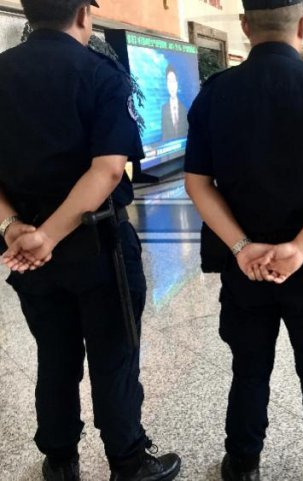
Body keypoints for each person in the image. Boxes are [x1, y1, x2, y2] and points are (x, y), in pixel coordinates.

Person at [183, 1, 303, 480]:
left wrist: (242, 247)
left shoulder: (215, 94)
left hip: (243, 268)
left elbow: (198, 183)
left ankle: (243, 463)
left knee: (249, 368)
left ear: (245, 26)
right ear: (302, 25)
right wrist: (299, 248)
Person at [0, 1, 181, 481]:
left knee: (54, 355)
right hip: (99, 247)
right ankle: (127, 460)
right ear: (83, 14)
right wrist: (49, 236)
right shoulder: (100, 72)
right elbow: (108, 170)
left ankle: (60, 461)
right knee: (114, 356)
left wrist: (14, 227)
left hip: (28, 255)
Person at [161, 64, 189, 141]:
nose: (172, 85)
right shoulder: (164, 109)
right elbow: (164, 136)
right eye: (169, 81)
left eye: (173, 81)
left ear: (177, 83)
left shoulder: (184, 108)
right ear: (166, 84)